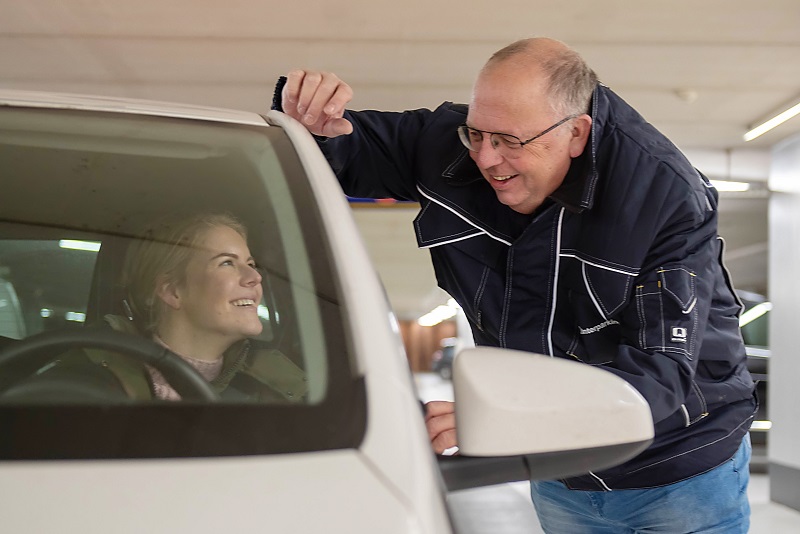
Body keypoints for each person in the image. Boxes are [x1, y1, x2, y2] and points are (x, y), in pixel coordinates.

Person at [275, 37, 756, 533]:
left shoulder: (664, 195)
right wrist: (315, 124)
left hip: (680, 471)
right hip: (560, 474)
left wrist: (508, 419)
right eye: (476, 134)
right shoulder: (453, 147)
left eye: (510, 141)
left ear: (576, 133)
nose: (485, 159)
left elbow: (659, 375)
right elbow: (350, 148)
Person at [101, 212, 307, 402]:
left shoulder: (281, 390)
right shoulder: (92, 379)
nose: (255, 277)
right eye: (227, 263)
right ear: (173, 291)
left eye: (251, 264)